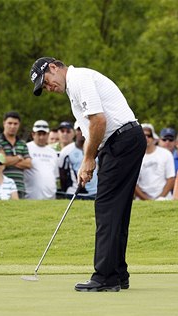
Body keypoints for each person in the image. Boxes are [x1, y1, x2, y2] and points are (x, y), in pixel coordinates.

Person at [31, 56, 147, 292]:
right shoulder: (74, 88)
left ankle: (105, 276)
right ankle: (117, 273)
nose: (49, 88)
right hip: (123, 141)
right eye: (44, 87)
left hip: (121, 140)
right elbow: (93, 126)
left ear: (53, 68)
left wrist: (88, 159)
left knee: (106, 206)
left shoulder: (79, 79)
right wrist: (92, 157)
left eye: (46, 81)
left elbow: (98, 120)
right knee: (117, 209)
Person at [0, 111, 31, 198]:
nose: (12, 126)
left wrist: (7, 160)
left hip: (19, 187)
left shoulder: (22, 143)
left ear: (19, 125)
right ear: (4, 123)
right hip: (1, 187)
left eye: (15, 124)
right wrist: (19, 157)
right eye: (10, 123)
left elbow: (28, 164)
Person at [135, 124, 175, 200]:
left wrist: (160, 197)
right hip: (141, 200)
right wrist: (146, 200)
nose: (146, 138)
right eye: (143, 135)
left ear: (153, 138)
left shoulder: (166, 154)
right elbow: (133, 184)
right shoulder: (134, 157)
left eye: (149, 135)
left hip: (164, 199)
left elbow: (171, 179)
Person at [58, 126, 98, 200]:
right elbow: (62, 174)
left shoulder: (97, 147)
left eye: (83, 128)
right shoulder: (66, 151)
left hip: (94, 192)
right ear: (75, 132)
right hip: (73, 192)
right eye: (79, 129)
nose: (82, 131)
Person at [25, 120, 58, 200]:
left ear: (48, 134)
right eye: (39, 134)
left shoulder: (53, 152)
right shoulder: (26, 148)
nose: (41, 137)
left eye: (44, 134)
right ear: (33, 134)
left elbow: (55, 175)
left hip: (51, 196)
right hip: (31, 196)